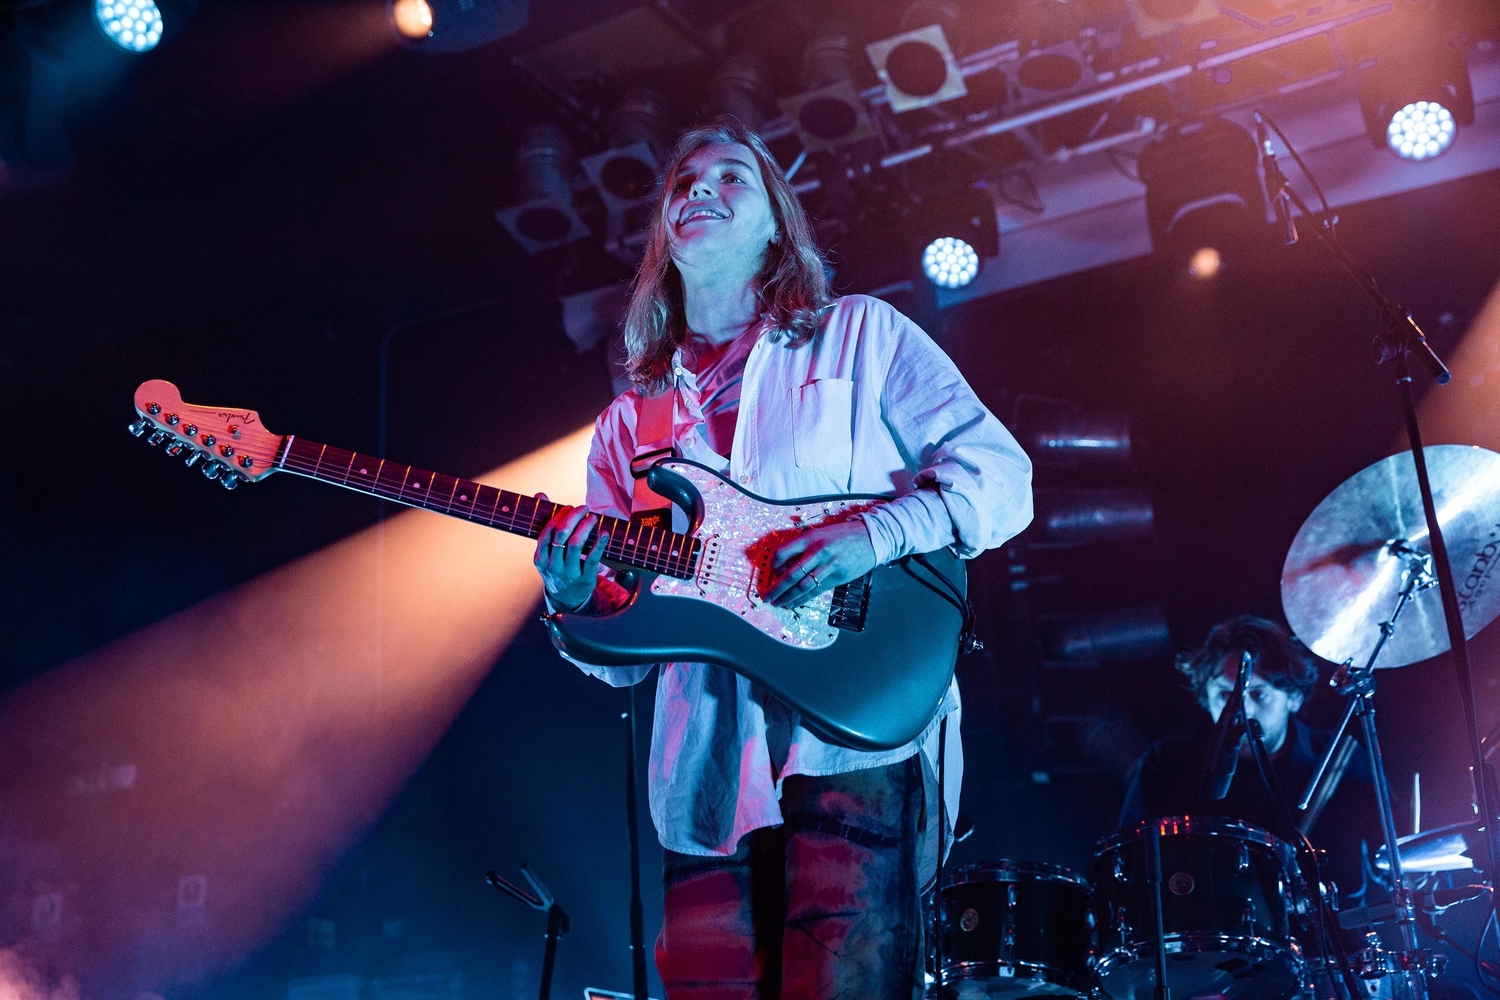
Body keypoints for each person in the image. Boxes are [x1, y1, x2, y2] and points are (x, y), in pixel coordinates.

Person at [531, 119, 1033, 997]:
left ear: (776, 227)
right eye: (684, 180)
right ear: (661, 239)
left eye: (733, 178)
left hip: (856, 738)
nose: (699, 189)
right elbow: (619, 647)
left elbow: (1000, 477)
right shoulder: (628, 425)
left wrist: (870, 536)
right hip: (708, 777)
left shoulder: (861, 337)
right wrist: (575, 602)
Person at [1119, 614, 1382, 906]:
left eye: (1259, 695)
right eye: (1224, 696)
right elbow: (1128, 862)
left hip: (1328, 941)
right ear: (1206, 696)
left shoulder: (1341, 760)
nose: (1242, 712)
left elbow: (1395, 856)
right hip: (1209, 937)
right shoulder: (1166, 763)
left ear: (1293, 698)